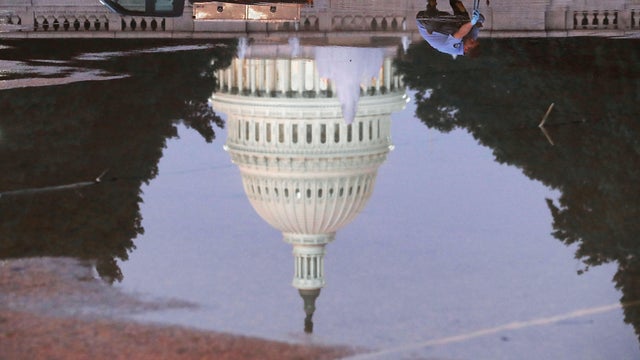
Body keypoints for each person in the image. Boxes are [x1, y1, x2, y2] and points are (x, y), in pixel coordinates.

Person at [416, 0, 484, 57]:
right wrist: (477, 16)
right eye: (474, 41)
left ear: (465, 49)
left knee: (463, 29)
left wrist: (472, 23)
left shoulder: (454, 49)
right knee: (466, 23)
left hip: (425, 21)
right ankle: (455, 2)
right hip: (443, 20)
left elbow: (459, 34)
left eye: (471, 42)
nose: (472, 39)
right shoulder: (471, 39)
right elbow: (480, 21)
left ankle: (432, 3)